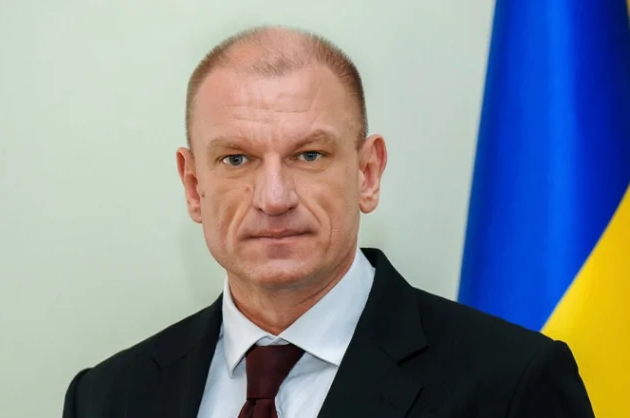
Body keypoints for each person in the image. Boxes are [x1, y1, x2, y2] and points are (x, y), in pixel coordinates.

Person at [62, 26, 595, 418]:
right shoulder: (105, 398)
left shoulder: (511, 386)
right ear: (192, 184)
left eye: (309, 155)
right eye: (236, 159)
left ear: (367, 173)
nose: (273, 198)